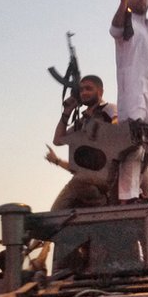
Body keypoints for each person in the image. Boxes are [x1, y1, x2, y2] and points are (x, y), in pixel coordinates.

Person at [111, 0, 148, 203]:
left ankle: (139, 192)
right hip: (133, 93)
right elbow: (115, 28)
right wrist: (123, 1)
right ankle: (127, 196)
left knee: (146, 148)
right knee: (132, 146)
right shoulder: (127, 22)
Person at [48, 75, 118, 210]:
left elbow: (116, 123)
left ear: (100, 92)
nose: (84, 93)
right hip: (86, 177)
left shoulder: (108, 109)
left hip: (107, 174)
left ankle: (104, 203)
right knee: (56, 211)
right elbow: (58, 140)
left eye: (89, 89)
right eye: (81, 90)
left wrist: (99, 131)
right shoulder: (82, 122)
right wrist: (67, 112)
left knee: (79, 181)